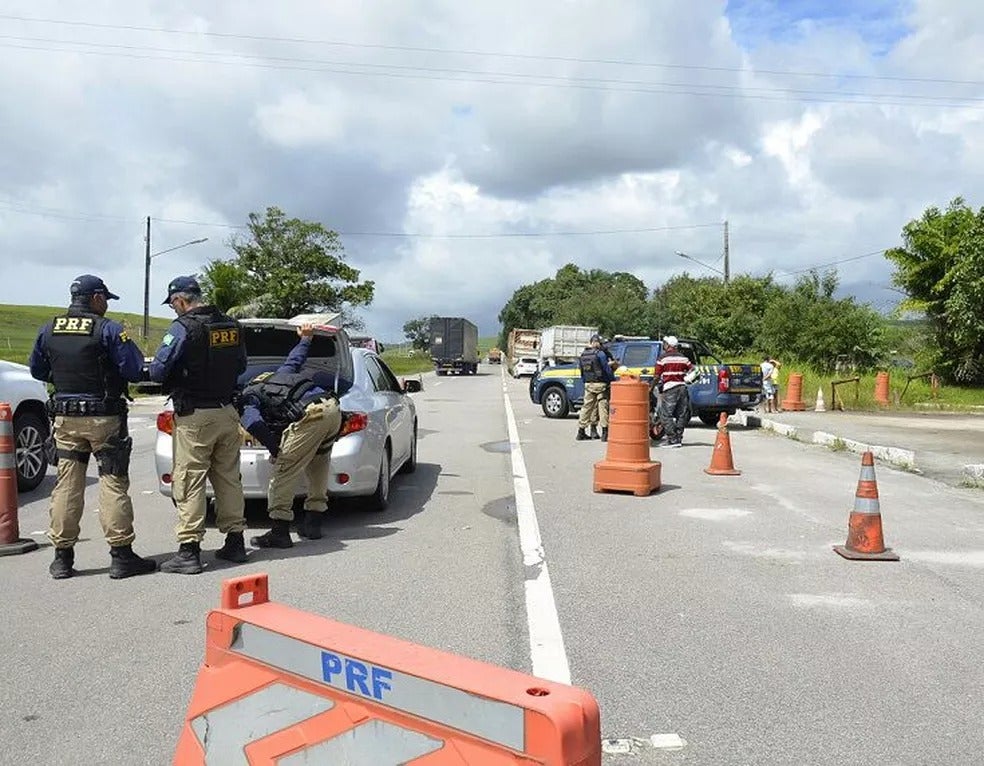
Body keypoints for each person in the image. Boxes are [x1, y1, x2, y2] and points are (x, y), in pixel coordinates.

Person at [28, 275, 157, 580]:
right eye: (106, 299)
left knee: (67, 484)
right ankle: (121, 556)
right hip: (103, 418)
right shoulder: (109, 329)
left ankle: (62, 558)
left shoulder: (49, 329)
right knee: (112, 483)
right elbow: (135, 370)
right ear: (96, 298)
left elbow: (38, 370)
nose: (107, 304)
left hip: (65, 418)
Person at [149, 275, 248, 574]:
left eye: (173, 305)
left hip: (195, 416)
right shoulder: (231, 325)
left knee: (190, 479)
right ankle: (235, 542)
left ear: (180, 300)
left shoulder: (182, 328)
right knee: (229, 478)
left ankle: (189, 550)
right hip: (227, 411)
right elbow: (241, 366)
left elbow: (158, 370)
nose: (174, 310)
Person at [239, 323, 348, 548]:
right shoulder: (278, 375)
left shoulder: (248, 397)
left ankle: (279, 531)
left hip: (312, 417)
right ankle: (313, 523)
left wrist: (276, 450)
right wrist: (305, 339)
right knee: (318, 463)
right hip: (332, 409)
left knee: (284, 471)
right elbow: (295, 359)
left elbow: (255, 424)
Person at [653, 335, 695, 448]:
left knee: (665, 414)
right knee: (682, 414)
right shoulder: (683, 358)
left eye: (665, 344)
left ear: (668, 345)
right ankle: (678, 438)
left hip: (670, 389)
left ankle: (672, 439)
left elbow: (657, 376)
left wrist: (651, 387)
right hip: (682, 388)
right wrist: (687, 378)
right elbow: (693, 369)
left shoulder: (663, 358)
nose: (664, 346)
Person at [576, 334, 617, 442]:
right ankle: (605, 433)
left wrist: (586, 382)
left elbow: (582, 372)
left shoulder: (583, 354)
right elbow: (607, 370)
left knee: (586, 408)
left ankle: (581, 431)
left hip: (588, 385)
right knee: (602, 407)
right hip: (600, 385)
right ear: (598, 343)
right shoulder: (600, 354)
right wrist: (612, 381)